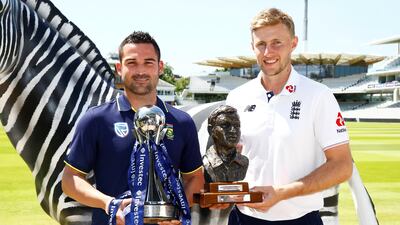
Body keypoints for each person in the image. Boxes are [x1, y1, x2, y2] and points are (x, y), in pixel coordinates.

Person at [62, 31, 204, 225]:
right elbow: (70, 180)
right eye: (132, 63)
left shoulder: (182, 122)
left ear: (160, 67)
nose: (140, 71)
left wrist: (177, 209)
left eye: (148, 62)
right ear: (119, 68)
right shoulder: (96, 119)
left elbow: (194, 178)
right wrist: (108, 203)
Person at [225, 8, 353, 225]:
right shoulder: (236, 97)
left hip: (301, 220)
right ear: (252, 47)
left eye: (277, 42)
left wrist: (282, 193)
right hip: (243, 218)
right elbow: (229, 158)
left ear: (293, 43)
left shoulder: (318, 95)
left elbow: (342, 165)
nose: (268, 52)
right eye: (261, 44)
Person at [203, 105, 248, 182]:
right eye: (225, 125)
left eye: (237, 126)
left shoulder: (244, 162)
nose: (233, 131)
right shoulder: (203, 163)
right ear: (211, 130)